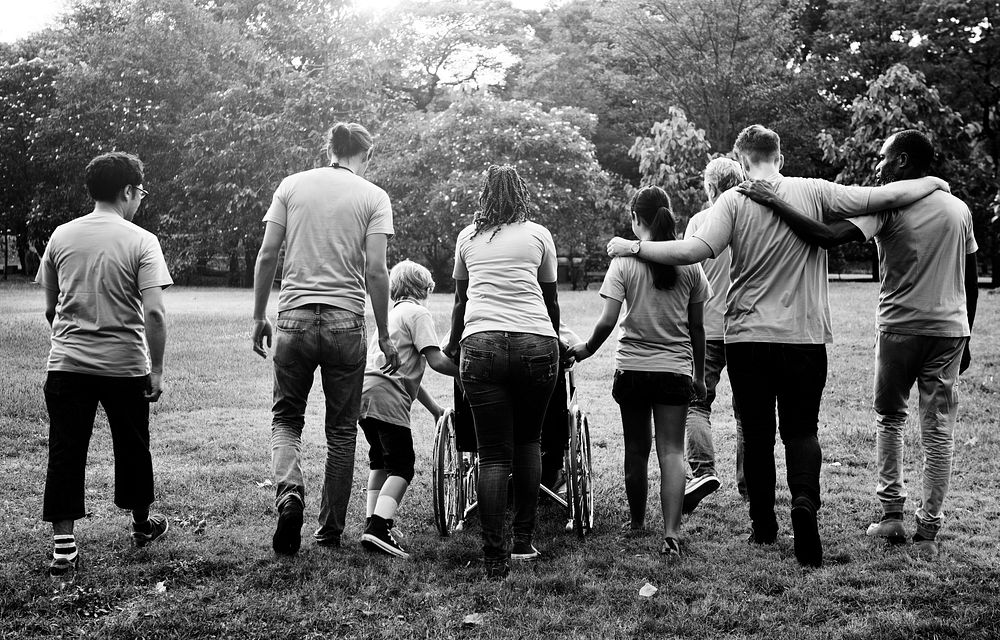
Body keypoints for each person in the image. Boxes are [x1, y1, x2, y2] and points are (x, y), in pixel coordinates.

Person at [607, 124, 950, 568]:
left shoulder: (732, 200)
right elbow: (881, 197)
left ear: (741, 159)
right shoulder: (815, 190)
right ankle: (805, 504)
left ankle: (764, 526)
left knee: (758, 433)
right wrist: (933, 182)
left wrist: (634, 246)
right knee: (802, 431)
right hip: (805, 337)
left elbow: (690, 252)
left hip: (748, 339)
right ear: (780, 158)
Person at [736, 130, 978, 560]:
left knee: (890, 418)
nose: (878, 166)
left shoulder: (890, 206)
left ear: (902, 161)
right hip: (951, 329)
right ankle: (930, 524)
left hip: (901, 327)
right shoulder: (958, 208)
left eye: (883, 157)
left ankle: (891, 515)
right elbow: (971, 275)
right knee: (939, 428)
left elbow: (826, 237)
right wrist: (968, 332)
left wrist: (774, 201)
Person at [251, 122, 400, 556]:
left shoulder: (291, 186)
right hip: (345, 322)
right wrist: (386, 334)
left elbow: (266, 254)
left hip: (294, 318)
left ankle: (290, 493)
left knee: (286, 419)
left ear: (328, 149)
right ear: (365, 155)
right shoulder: (374, 197)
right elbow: (376, 270)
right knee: (340, 431)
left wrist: (259, 315)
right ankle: (330, 531)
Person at [36, 152, 172, 578]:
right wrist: (157, 369)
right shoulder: (141, 240)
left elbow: (50, 308)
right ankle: (141, 524)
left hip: (67, 364)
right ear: (128, 191)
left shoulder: (61, 236)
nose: (140, 200)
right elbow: (154, 314)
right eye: (140, 192)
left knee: (65, 449)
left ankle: (63, 546)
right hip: (124, 366)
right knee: (133, 446)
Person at [570, 186, 710, 559]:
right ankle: (671, 533)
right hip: (675, 371)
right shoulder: (691, 264)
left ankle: (635, 523)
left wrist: (586, 350)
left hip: (632, 368)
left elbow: (606, 321)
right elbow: (698, 328)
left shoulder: (623, 263)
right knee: (672, 451)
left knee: (636, 449)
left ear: (636, 220)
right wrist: (698, 375)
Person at [444, 164, 562, 580]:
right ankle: (523, 541)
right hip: (536, 343)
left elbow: (460, 301)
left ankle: (493, 557)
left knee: (494, 453)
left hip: (481, 345)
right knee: (530, 441)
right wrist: (557, 339)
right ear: (521, 195)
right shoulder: (539, 234)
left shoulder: (467, 237)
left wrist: (451, 343)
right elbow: (549, 300)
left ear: (485, 195)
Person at [358, 260, 458, 559]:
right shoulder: (418, 313)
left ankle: (374, 521)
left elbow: (411, 375)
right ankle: (379, 527)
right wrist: (469, 373)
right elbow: (437, 360)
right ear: (423, 287)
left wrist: (435, 410)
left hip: (364, 394)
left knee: (380, 462)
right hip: (388, 398)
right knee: (402, 465)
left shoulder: (392, 316)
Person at [682, 157, 747, 514]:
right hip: (743, 328)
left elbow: (687, 275)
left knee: (696, 404)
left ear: (710, 188)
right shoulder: (750, 220)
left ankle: (704, 471)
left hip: (704, 328)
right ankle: (750, 485)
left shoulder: (699, 222)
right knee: (747, 411)